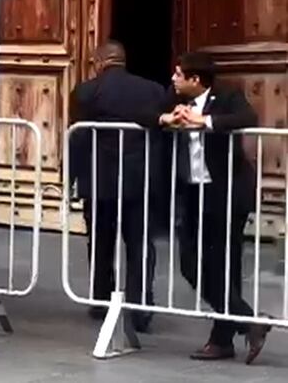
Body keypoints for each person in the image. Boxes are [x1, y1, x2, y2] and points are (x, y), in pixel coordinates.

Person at [151, 52, 269, 363]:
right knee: (190, 264)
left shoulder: (227, 95)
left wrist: (206, 121)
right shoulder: (173, 98)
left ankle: (221, 340)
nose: (173, 80)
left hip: (225, 192)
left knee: (224, 265)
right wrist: (166, 119)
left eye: (179, 75)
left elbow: (248, 119)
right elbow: (144, 113)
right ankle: (249, 320)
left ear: (195, 80)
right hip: (192, 192)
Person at [67, 40, 165, 331]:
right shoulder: (152, 90)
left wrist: (71, 176)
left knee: (99, 243)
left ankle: (100, 301)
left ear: (99, 63)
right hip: (139, 181)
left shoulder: (86, 92)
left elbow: (79, 137)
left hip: (99, 182)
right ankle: (139, 308)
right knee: (140, 244)